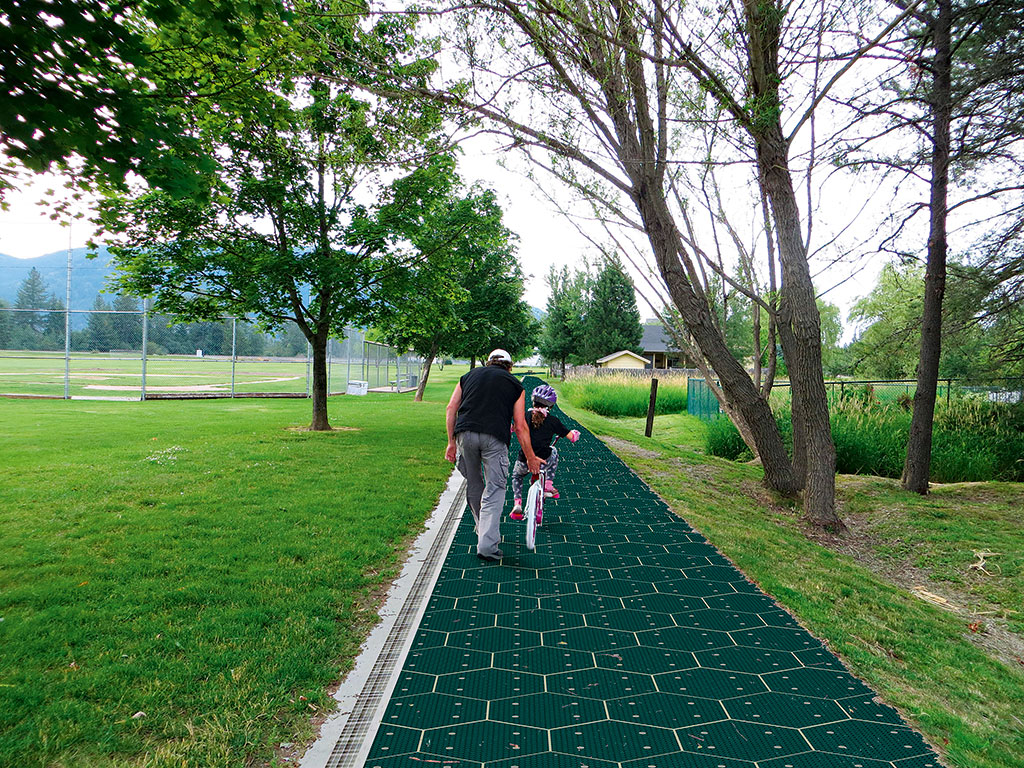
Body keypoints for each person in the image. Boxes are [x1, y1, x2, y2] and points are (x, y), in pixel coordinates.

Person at [445, 349, 542, 562]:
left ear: (489, 363)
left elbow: (451, 408)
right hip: (494, 438)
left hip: (465, 434)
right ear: (509, 367)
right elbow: (520, 426)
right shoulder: (515, 385)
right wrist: (531, 457)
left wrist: (451, 443)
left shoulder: (468, 376)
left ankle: (483, 530)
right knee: (495, 488)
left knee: (474, 483)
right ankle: (487, 546)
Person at [509, 384, 580, 520]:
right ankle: (548, 484)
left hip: (524, 460)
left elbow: (513, 428)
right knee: (553, 451)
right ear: (551, 406)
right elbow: (572, 437)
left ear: (533, 401)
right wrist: (575, 434)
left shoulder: (524, 416)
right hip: (544, 461)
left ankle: (517, 502)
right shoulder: (554, 421)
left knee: (517, 477)